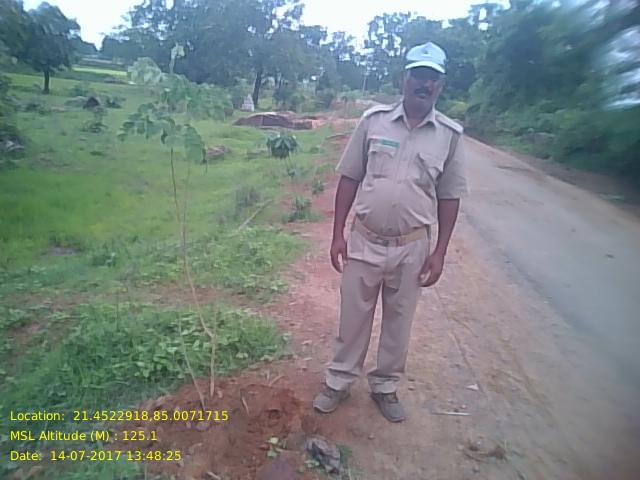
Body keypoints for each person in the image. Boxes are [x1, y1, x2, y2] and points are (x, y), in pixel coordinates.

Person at [313, 42, 469, 423]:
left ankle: (385, 386)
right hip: (364, 238)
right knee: (352, 317)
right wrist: (337, 234)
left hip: (412, 246)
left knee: (399, 322)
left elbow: (450, 197)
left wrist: (439, 252)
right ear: (404, 79)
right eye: (418, 75)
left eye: (432, 78)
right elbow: (349, 178)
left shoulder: (449, 136)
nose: (424, 84)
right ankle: (338, 381)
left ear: (440, 86)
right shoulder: (374, 121)